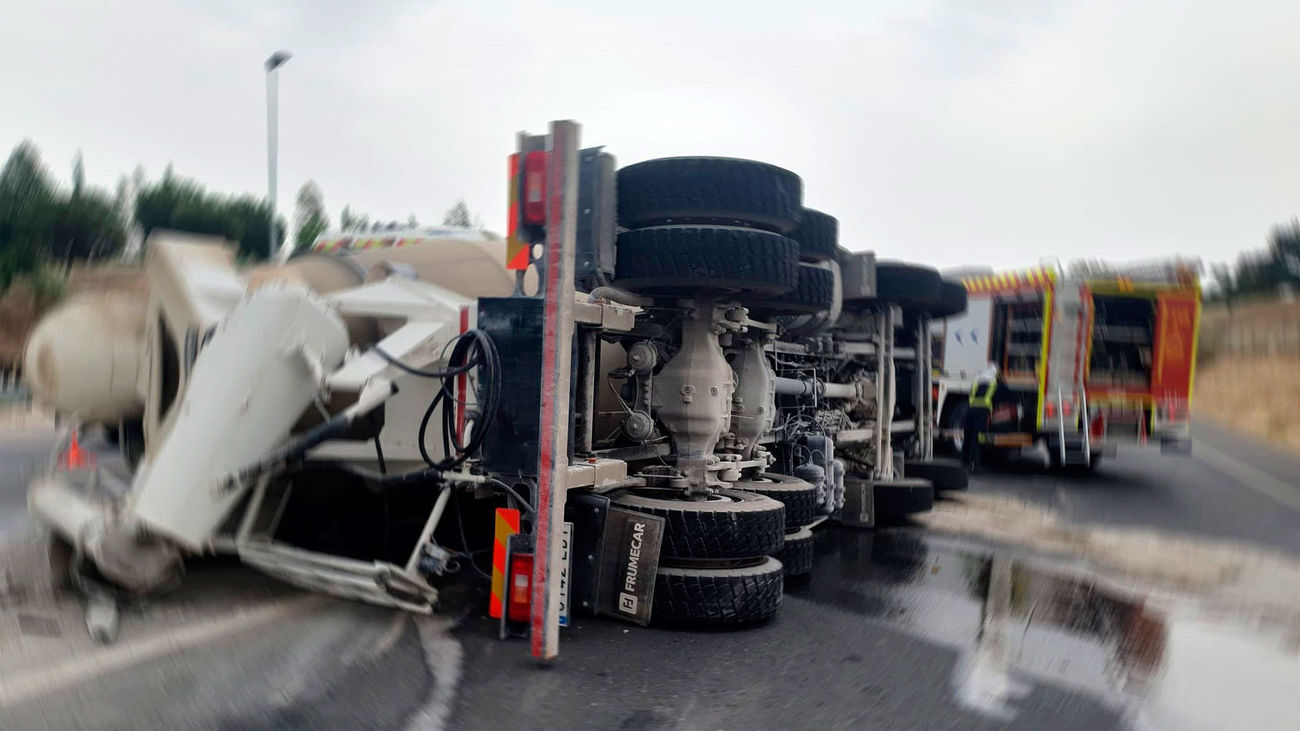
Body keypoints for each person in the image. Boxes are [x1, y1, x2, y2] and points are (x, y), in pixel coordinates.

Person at [963, 365, 997, 472]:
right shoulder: (993, 383)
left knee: (967, 438)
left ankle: (965, 463)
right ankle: (976, 465)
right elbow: (994, 398)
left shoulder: (976, 380)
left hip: (970, 411)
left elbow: (971, 395)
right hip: (982, 413)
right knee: (978, 439)